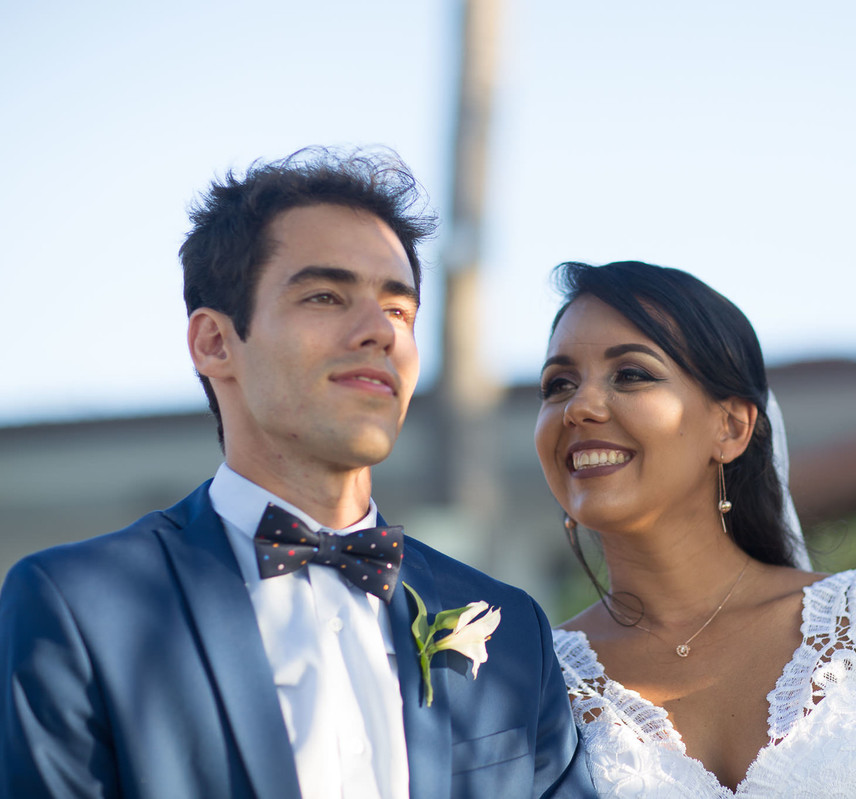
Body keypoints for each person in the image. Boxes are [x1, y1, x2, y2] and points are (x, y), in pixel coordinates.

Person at [0, 148, 594, 799]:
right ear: (215, 343)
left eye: (399, 310)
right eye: (325, 296)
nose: (379, 332)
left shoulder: (511, 629)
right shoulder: (79, 605)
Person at [534, 260, 856, 797]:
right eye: (558, 384)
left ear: (731, 427)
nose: (580, 407)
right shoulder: (534, 680)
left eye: (631, 374)